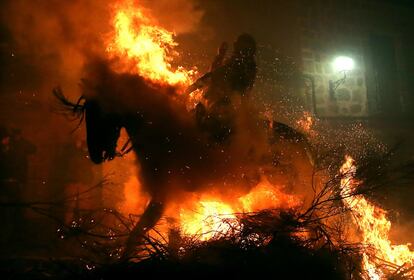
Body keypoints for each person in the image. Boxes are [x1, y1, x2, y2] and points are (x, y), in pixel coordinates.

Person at [190, 34, 257, 142]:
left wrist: (189, 89)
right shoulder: (245, 66)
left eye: (238, 46)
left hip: (223, 108)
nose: (235, 47)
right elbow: (215, 74)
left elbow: (214, 75)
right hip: (224, 108)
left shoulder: (242, 66)